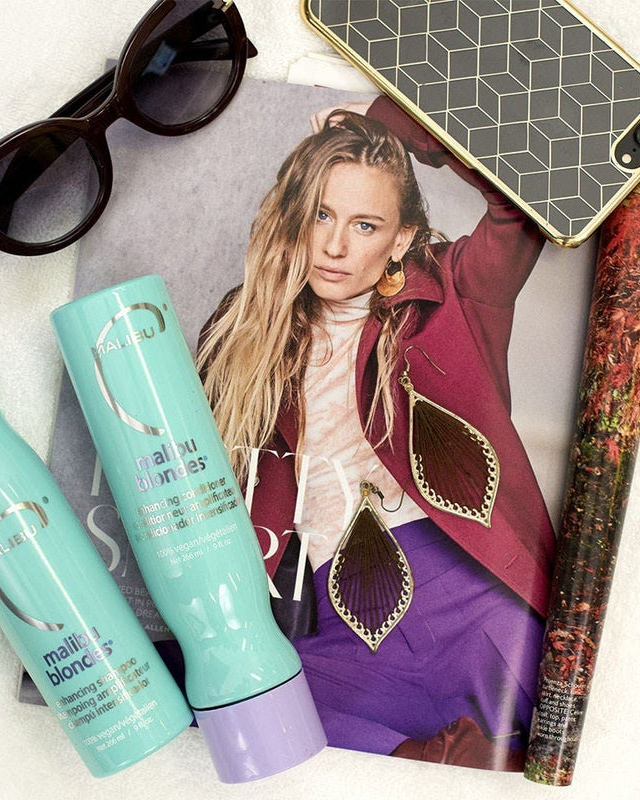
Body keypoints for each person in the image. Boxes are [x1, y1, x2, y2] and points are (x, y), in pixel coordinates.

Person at [196, 97, 556, 771]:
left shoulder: (455, 295)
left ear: (400, 237)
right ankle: (448, 759)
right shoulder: (241, 332)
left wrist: (390, 119)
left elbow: (521, 203)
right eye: (321, 215)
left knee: (565, 740)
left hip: (472, 595)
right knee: (237, 705)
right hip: (339, 625)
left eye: (365, 224)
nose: (334, 246)